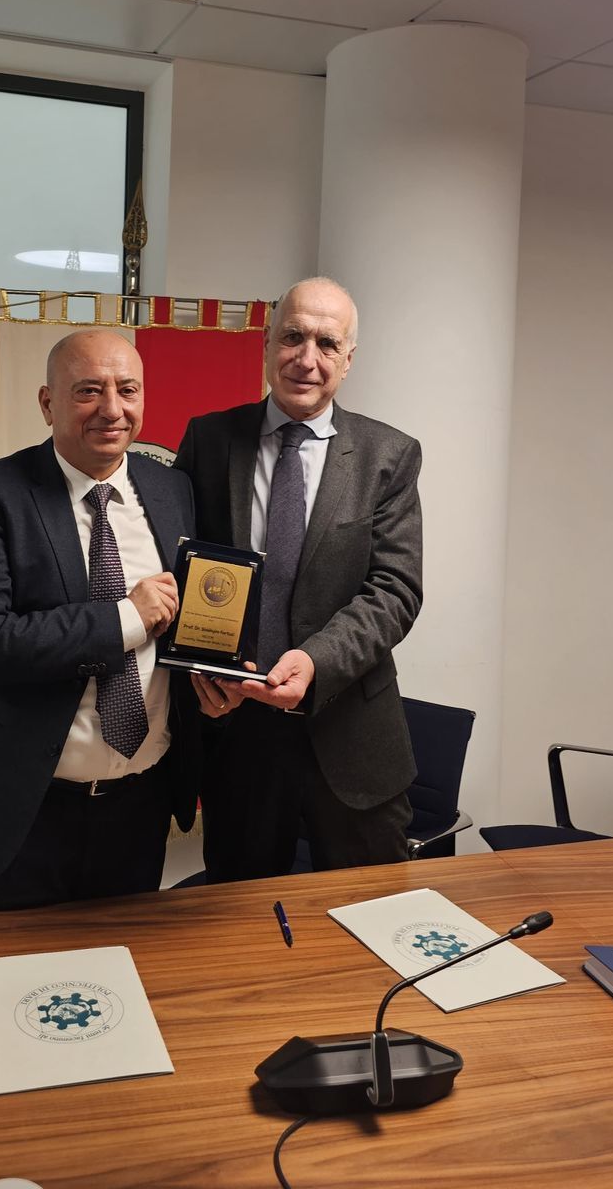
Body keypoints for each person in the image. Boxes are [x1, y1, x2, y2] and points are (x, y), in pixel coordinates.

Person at [0, 329, 199, 913]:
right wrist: (125, 618)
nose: (112, 409)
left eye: (127, 390)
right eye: (89, 391)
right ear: (48, 403)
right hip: (18, 812)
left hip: (138, 810)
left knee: (121, 965)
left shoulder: (172, 489)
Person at [174, 277, 422, 880]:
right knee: (241, 914)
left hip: (350, 732)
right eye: (292, 337)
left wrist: (315, 662)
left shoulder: (387, 454)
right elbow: (180, 569)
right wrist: (201, 671)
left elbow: (395, 590)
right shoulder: (209, 440)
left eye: (326, 344)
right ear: (266, 343)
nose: (306, 359)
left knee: (370, 912)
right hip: (238, 736)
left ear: (348, 359)